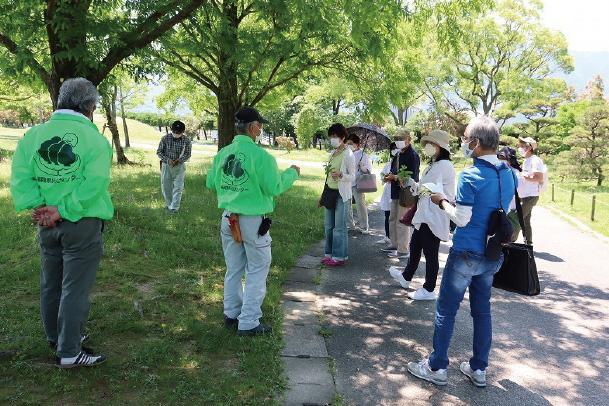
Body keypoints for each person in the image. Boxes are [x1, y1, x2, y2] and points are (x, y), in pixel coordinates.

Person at [10, 78, 113, 368]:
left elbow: (20, 176)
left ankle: (57, 337)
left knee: (51, 284)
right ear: (89, 106)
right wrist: (62, 209)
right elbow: (94, 184)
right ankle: (69, 351)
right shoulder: (94, 139)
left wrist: (41, 207)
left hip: (47, 225)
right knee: (75, 288)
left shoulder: (33, 135)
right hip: (81, 223)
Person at [406, 116, 515, 388]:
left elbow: (462, 219)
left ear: (476, 143)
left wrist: (440, 199)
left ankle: (437, 366)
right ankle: (478, 369)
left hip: (466, 251)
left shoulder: (471, 174)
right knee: (482, 312)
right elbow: (507, 210)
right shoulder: (509, 174)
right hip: (491, 254)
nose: (464, 143)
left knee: (446, 310)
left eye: (466, 138)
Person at [206, 107, 300, 336]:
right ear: (252, 127)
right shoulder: (261, 157)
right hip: (252, 221)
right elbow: (274, 187)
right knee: (257, 269)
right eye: (260, 125)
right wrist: (292, 173)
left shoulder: (223, 153)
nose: (262, 129)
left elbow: (211, 183)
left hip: (229, 218)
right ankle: (248, 322)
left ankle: (232, 314)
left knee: (234, 268)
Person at [389, 130, 456, 301]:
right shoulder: (434, 164)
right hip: (426, 214)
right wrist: (411, 183)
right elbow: (424, 187)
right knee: (415, 245)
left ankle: (429, 289)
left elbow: (427, 188)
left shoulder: (444, 166)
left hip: (434, 215)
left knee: (430, 253)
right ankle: (406, 277)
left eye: (430, 144)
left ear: (440, 147)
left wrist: (412, 184)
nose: (427, 147)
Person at [319, 123, 356, 267]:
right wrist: (322, 196)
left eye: (335, 136)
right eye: (331, 136)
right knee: (328, 226)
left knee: (339, 227)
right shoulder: (332, 154)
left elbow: (353, 176)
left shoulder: (349, 154)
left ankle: (339, 256)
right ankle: (328, 254)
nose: (333, 139)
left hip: (342, 194)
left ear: (342, 137)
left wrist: (341, 175)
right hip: (329, 192)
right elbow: (327, 176)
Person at [382, 129, 420, 259]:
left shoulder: (413, 155)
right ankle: (394, 244)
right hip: (395, 191)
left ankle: (403, 249)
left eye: (401, 138)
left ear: (409, 139)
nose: (398, 141)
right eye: (396, 138)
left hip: (406, 193)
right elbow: (393, 171)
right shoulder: (398, 155)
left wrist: (395, 177)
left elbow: (414, 177)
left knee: (402, 221)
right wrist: (388, 177)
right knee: (392, 219)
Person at [511, 137, 544, 245]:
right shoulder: (526, 160)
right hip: (525, 195)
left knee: (517, 219)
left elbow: (539, 178)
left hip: (531, 196)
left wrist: (525, 177)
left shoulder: (535, 160)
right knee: (525, 221)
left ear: (529, 147)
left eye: (522, 145)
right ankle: (528, 244)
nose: (520, 148)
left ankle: (509, 241)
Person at [157, 120, 192, 214]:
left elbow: (188, 154)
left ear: (183, 132)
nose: (176, 134)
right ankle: (169, 205)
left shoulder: (186, 140)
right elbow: (159, 152)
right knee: (166, 187)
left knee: (178, 187)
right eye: (175, 132)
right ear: (171, 130)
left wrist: (178, 161)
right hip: (166, 165)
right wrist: (168, 160)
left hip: (179, 166)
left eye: (179, 132)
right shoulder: (165, 138)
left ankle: (174, 208)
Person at [346, 134, 373, 234]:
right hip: (347, 182)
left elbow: (368, 169)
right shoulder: (347, 153)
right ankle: (350, 225)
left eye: (351, 143)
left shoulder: (363, 155)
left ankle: (364, 226)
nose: (349, 145)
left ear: (357, 144)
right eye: (347, 143)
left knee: (360, 204)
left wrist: (362, 167)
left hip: (358, 182)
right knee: (347, 204)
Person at [377, 142, 398, 245]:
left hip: (397, 193)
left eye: (396, 148)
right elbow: (382, 176)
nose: (394, 150)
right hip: (388, 190)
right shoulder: (388, 164)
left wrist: (393, 178)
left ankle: (395, 240)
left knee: (396, 217)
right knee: (387, 215)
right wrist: (385, 178)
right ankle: (387, 236)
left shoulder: (402, 163)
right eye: (393, 148)